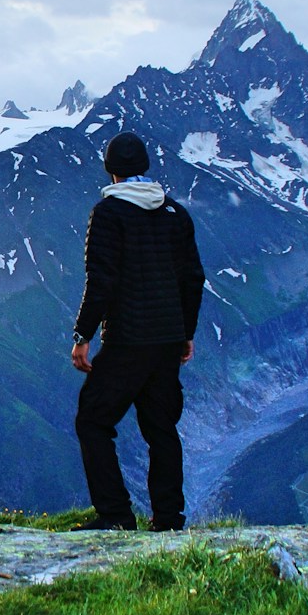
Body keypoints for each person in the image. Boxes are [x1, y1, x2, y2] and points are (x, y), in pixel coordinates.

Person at [68, 131, 206, 531]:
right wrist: (186, 332)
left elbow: (102, 281)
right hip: (166, 342)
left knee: (93, 421)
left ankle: (115, 516)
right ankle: (168, 520)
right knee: (161, 428)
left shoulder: (108, 214)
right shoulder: (175, 214)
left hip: (128, 339)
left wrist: (82, 335)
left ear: (111, 171)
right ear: (144, 168)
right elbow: (193, 278)